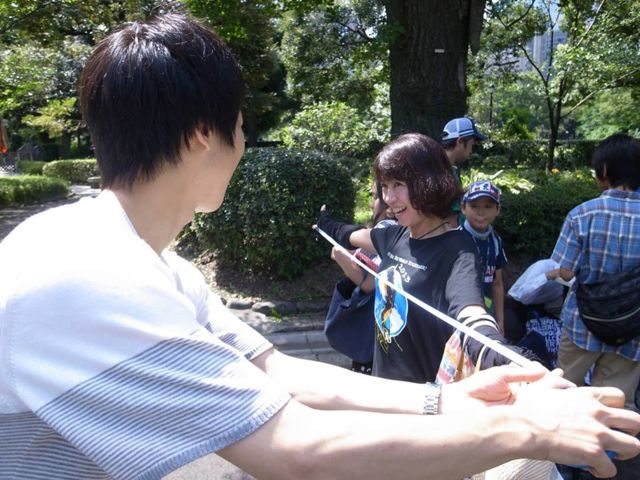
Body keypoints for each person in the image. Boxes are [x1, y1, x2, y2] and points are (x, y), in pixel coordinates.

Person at [0, 14, 639, 480]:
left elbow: (276, 371)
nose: (243, 144)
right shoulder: (86, 274)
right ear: (200, 136)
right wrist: (524, 428)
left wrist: (447, 397)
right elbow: (294, 449)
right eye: (240, 126)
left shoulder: (149, 265)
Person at [318, 133, 535, 384]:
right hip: (381, 387)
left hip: (425, 397)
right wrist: (324, 223)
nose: (388, 198)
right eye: (385, 186)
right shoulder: (393, 235)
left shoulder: (458, 250)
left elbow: (471, 314)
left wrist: (503, 357)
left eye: (398, 184)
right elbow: (349, 234)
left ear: (429, 183)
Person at [551, 133, 640, 413]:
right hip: (632, 328)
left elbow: (565, 272)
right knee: (615, 402)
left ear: (604, 171)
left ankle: (565, 437)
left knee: (564, 391)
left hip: (583, 323)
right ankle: (610, 440)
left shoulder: (582, 214)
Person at [328, 183, 395, 374]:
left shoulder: (388, 230)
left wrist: (339, 255)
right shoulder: (397, 231)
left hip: (378, 329)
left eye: (375, 197)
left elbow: (369, 284)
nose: (371, 204)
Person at [460, 180, 508, 332]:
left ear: (497, 210)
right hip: (459, 315)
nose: (481, 212)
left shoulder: (496, 241)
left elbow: (497, 283)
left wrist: (500, 322)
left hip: (486, 313)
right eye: (474, 206)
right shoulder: (455, 239)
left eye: (488, 206)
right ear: (463, 208)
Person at [441, 116, 488, 227]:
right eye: (472, 145)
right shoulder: (440, 171)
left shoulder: (451, 169)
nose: (471, 151)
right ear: (460, 141)